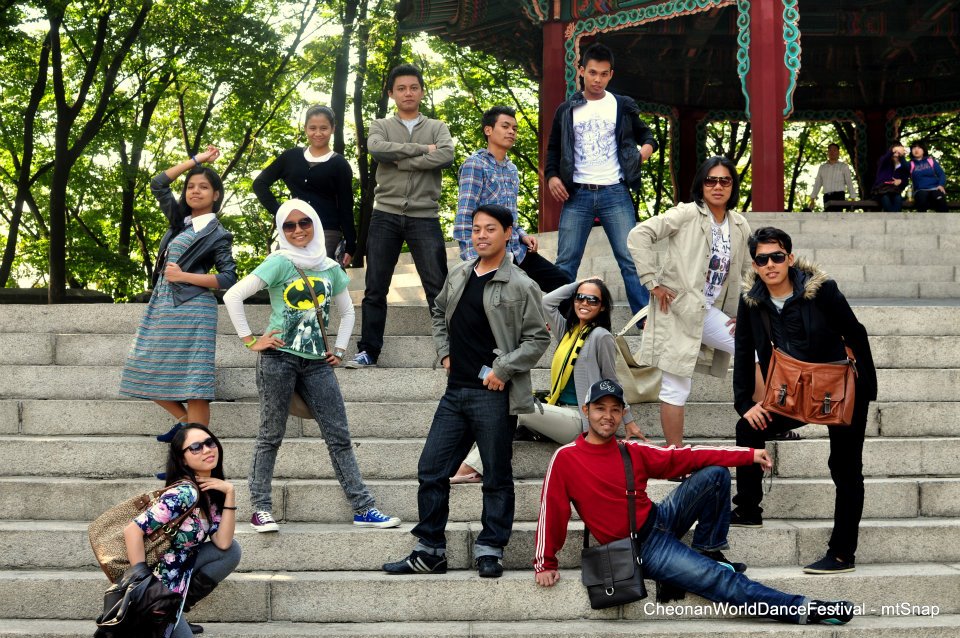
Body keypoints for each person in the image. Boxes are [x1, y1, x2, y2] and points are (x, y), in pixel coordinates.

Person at [533, 378, 855, 626]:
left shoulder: (631, 450)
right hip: (642, 548)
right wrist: (545, 563)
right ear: (586, 410)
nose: (608, 416)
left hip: (659, 518)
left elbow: (687, 456)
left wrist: (748, 454)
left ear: (622, 414)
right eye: (600, 408)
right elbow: (552, 512)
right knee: (721, 579)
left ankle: (707, 549)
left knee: (714, 474)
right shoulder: (566, 459)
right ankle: (805, 609)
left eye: (615, 409)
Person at [382, 204, 550, 577]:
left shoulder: (522, 284)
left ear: (508, 233)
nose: (481, 235)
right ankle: (430, 551)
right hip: (455, 393)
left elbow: (538, 338)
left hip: (493, 395)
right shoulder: (459, 273)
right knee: (431, 469)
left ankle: (490, 550)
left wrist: (504, 369)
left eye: (490, 228)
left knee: (496, 476)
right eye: (476, 229)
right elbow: (438, 312)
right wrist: (444, 352)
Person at [222, 199, 400, 533]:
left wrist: (341, 349)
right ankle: (260, 508)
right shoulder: (279, 262)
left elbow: (348, 312)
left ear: (315, 224)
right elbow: (232, 295)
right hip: (278, 358)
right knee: (270, 435)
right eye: (289, 225)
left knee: (339, 435)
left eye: (304, 222)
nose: (298, 230)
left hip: (318, 363)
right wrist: (251, 340)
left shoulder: (330, 267)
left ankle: (363, 508)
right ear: (282, 230)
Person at [730, 227, 877, 576]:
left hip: (838, 388)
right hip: (792, 390)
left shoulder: (822, 290)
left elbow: (856, 333)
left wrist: (867, 389)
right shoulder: (752, 299)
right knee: (748, 427)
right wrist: (744, 402)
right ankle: (748, 509)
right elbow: (743, 348)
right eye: (762, 259)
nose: (770, 264)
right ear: (755, 264)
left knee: (844, 467)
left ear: (790, 258)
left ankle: (841, 554)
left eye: (777, 257)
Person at [450, 277, 647, 483]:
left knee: (519, 407)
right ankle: (473, 465)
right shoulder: (569, 332)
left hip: (581, 419)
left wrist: (629, 421)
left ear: (603, 307)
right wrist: (580, 283)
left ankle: (470, 467)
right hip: (559, 410)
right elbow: (546, 303)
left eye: (592, 300)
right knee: (502, 405)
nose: (585, 303)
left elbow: (611, 382)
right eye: (580, 297)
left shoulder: (601, 336)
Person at [628, 156, 759, 449]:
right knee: (676, 387)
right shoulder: (686, 213)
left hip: (710, 311)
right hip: (677, 309)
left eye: (725, 180)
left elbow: (749, 272)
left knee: (757, 352)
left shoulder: (740, 224)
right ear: (701, 185)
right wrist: (652, 282)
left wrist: (747, 312)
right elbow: (639, 235)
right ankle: (676, 456)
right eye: (711, 180)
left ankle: (768, 423)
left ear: (733, 186)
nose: (717, 186)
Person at [120, 146, 237, 442]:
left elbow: (228, 277)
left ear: (216, 195)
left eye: (204, 187)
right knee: (142, 368)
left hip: (194, 309)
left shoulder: (217, 233)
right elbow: (158, 183)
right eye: (190, 186)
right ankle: (188, 427)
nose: (195, 191)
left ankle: (195, 451)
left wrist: (183, 276)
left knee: (195, 385)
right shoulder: (179, 223)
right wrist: (197, 161)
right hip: (163, 306)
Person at [345, 63, 454, 369]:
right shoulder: (380, 125)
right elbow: (376, 149)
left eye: (414, 87)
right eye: (402, 88)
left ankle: (450, 350)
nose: (408, 93)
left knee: (437, 286)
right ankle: (368, 350)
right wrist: (422, 150)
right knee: (375, 287)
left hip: (425, 215)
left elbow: (446, 154)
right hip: (385, 214)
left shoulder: (437, 126)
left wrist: (402, 159)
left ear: (422, 91)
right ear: (391, 93)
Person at [545, 42, 656, 314]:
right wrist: (552, 177)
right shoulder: (566, 109)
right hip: (577, 193)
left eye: (604, 74)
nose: (598, 79)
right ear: (582, 70)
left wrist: (642, 154)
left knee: (630, 259)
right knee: (566, 262)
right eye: (593, 72)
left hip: (615, 192)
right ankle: (558, 320)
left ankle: (644, 321)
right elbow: (554, 149)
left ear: (611, 75)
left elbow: (647, 135)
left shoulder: (621, 105)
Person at [122, 424, 241, 637]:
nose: (206, 450)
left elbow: (223, 543)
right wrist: (144, 585)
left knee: (231, 551)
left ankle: (179, 606)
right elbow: (132, 531)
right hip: (158, 587)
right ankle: (163, 611)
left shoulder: (210, 493)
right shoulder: (184, 494)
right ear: (183, 459)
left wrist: (230, 493)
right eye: (195, 447)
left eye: (209, 443)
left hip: (180, 577)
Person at [454, 105, 569, 293]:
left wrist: (522, 234)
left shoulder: (512, 169)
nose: (511, 132)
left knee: (566, 288)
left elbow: (511, 216)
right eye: (505, 126)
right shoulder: (474, 165)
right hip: (490, 254)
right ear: (488, 130)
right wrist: (474, 262)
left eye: (514, 128)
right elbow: (464, 217)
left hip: (518, 251)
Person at [253, 105, 356, 265]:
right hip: (293, 230)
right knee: (282, 271)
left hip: (326, 232)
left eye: (324, 128)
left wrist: (350, 244)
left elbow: (346, 205)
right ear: (305, 128)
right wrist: (281, 211)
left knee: (321, 276)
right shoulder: (291, 157)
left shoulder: (340, 164)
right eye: (312, 128)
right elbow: (259, 184)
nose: (318, 133)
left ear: (333, 129)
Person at [809, 142, 858, 211]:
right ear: (827, 153)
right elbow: (817, 183)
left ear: (838, 152)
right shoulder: (822, 168)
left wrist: (853, 198)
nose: (832, 152)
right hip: (827, 197)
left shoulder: (843, 166)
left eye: (834, 150)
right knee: (828, 216)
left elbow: (849, 182)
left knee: (837, 216)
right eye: (830, 150)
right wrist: (812, 200)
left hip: (839, 196)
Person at [908, 140, 948, 212]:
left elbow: (941, 174)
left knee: (940, 199)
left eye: (919, 148)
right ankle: (922, 219)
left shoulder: (930, 161)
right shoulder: (910, 164)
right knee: (922, 199)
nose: (916, 150)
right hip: (920, 190)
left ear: (923, 150)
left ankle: (945, 219)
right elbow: (902, 174)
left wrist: (941, 185)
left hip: (935, 189)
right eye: (914, 148)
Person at [870, 142, 909, 212]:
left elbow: (906, 179)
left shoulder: (903, 165)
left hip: (895, 191)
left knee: (898, 199)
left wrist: (901, 181)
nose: (896, 154)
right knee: (886, 199)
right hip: (881, 190)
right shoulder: (884, 162)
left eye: (899, 153)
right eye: (895, 152)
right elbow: (885, 158)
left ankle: (895, 218)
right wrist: (893, 150)